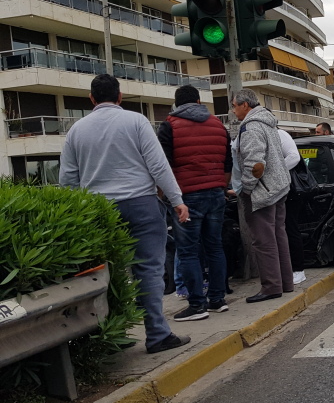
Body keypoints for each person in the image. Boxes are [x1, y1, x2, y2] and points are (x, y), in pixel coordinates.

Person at [59, 74, 191, 354]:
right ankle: (157, 334)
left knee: (109, 273)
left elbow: (68, 179)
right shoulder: (137, 121)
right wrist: (177, 199)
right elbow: (158, 165)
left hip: (99, 211)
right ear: (120, 97)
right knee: (150, 271)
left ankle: (115, 336)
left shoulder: (76, 130)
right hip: (141, 204)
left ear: (91, 99)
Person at [158, 85, 232, 321]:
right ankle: (218, 300)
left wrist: (166, 195)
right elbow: (227, 163)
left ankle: (197, 305)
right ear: (199, 101)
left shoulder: (169, 125)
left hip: (186, 197)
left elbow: (163, 165)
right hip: (215, 194)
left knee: (188, 252)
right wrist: (220, 186)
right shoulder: (218, 125)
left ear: (177, 104)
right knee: (214, 246)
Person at [232, 89, 293, 303]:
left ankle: (271, 287)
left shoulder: (250, 127)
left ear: (245, 106)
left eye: (234, 106)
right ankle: (285, 282)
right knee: (278, 236)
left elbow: (255, 164)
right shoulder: (269, 123)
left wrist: (246, 189)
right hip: (279, 186)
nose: (233, 111)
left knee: (263, 240)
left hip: (262, 191)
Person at [277, 129, 306, 287]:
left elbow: (294, 157)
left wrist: (276, 172)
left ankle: (298, 270)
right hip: (282, 189)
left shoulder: (281, 135)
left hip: (291, 190)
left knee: (290, 228)